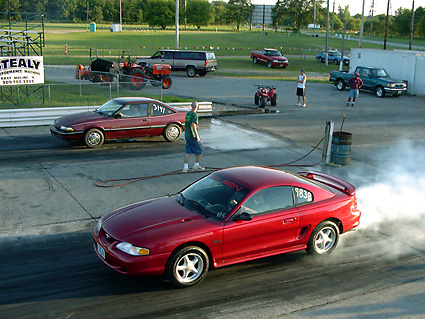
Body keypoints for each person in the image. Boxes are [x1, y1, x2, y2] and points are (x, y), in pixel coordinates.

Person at [182, 101, 205, 173]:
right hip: (192, 135)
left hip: (187, 135)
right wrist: (197, 136)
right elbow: (193, 125)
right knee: (200, 150)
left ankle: (185, 168)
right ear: (197, 107)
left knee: (188, 151)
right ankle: (196, 165)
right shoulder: (195, 115)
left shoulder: (188, 113)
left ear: (191, 106)